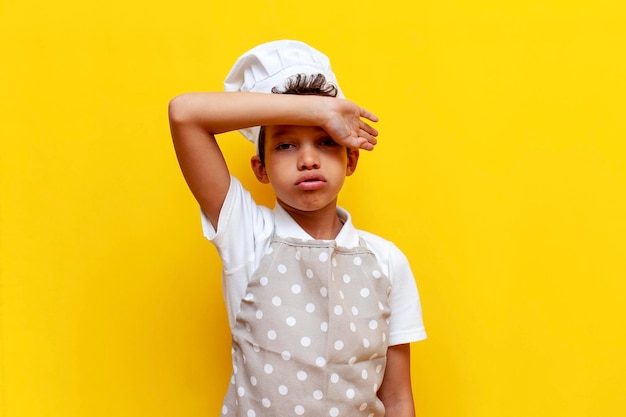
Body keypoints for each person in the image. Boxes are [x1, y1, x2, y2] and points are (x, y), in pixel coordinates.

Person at [168, 40, 426, 417]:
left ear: (350, 158)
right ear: (261, 168)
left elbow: (399, 398)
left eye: (325, 141)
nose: (308, 159)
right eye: (286, 145)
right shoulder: (248, 236)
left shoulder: (387, 262)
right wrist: (318, 109)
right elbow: (184, 114)